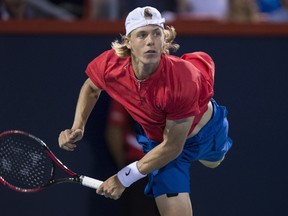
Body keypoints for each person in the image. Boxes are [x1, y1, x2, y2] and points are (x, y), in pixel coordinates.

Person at [58, 6, 233, 216]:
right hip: (161, 144)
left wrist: (123, 178)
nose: (150, 41)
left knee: (215, 162)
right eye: (142, 34)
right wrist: (78, 126)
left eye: (156, 34)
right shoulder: (110, 65)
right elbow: (91, 87)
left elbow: (174, 146)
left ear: (164, 40)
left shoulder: (183, 79)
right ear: (128, 42)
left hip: (205, 134)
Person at [105, 99, 160, 215]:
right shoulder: (124, 92)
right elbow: (113, 131)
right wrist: (125, 169)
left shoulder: (172, 92)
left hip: (165, 168)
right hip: (138, 170)